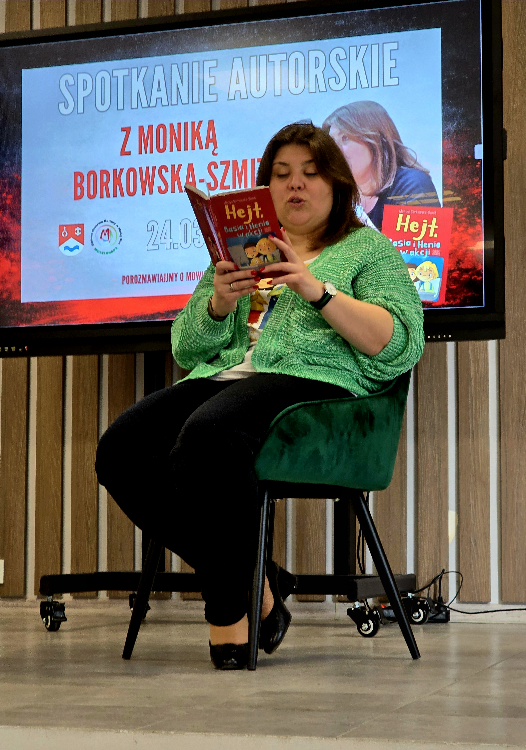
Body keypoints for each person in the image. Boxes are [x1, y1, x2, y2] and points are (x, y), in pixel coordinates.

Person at [95, 122, 425, 671]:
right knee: (121, 450)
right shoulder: (241, 249)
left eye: (310, 173)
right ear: (264, 189)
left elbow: (398, 344)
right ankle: (261, 581)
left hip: (314, 383)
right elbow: (187, 346)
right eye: (281, 174)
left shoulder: (367, 250)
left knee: (209, 435)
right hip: (227, 379)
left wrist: (315, 289)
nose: (295, 184)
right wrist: (219, 304)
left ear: (337, 185)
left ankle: (230, 613)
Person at [323, 100, 441, 231]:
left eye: (345, 138)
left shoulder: (414, 184)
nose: (335, 151)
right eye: (332, 143)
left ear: (375, 139)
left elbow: (412, 246)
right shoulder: (337, 196)